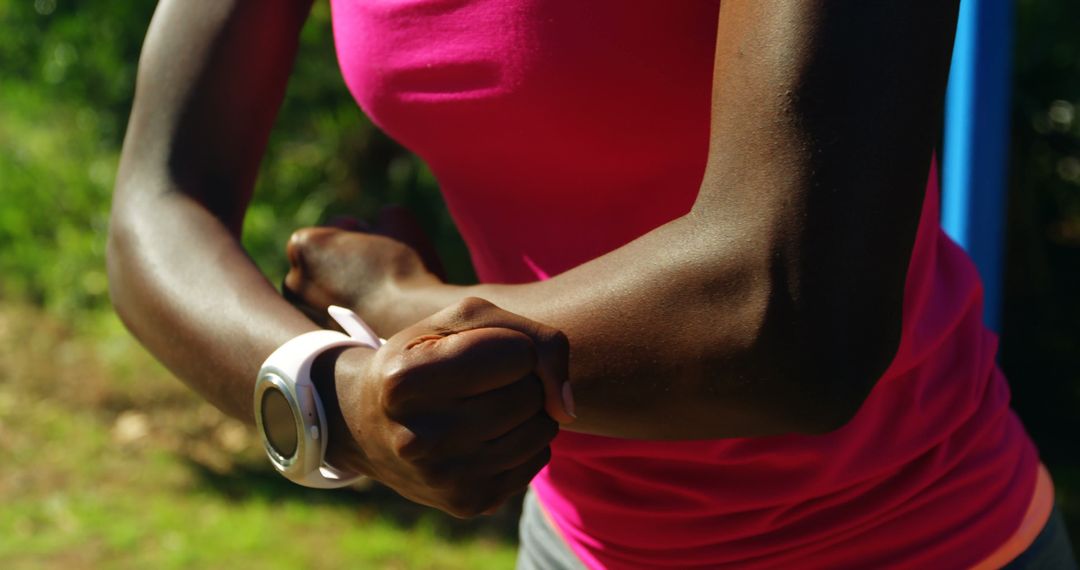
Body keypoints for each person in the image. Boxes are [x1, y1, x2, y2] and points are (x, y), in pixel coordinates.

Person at [107, 0, 1076, 567]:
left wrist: (412, 314)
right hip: (579, 545)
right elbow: (156, 200)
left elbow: (792, 319)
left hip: (913, 539)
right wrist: (334, 395)